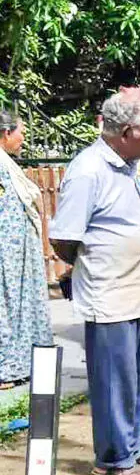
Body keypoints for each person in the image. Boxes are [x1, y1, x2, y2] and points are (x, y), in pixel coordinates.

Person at [50, 88, 140, 475]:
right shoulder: (89, 170)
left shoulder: (126, 165)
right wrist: (94, 267)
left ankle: (133, 446)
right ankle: (114, 461)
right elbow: (64, 238)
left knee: (136, 381)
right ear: (124, 131)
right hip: (110, 296)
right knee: (114, 383)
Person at [0, 111, 53, 389]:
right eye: (20, 132)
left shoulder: (8, 164)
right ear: (6, 133)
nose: (23, 139)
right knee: (7, 306)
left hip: (18, 252)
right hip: (7, 254)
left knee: (22, 304)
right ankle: (6, 368)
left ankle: (24, 364)